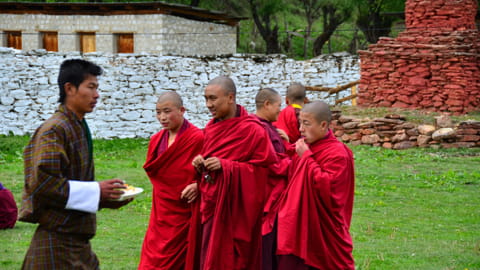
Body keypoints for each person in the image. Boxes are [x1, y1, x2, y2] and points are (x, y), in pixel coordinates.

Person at [19, 59, 132, 270]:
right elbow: (44, 184)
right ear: (69, 88)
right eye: (91, 87)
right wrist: (96, 192)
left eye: (97, 88)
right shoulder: (54, 129)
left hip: (77, 243)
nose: (97, 95)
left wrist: (105, 198)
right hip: (56, 243)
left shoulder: (76, 125)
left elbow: (71, 185)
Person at [190, 76, 277, 270]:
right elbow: (210, 169)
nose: (208, 104)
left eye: (213, 98)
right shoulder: (212, 128)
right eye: (206, 99)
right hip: (212, 206)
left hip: (238, 214)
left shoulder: (253, 130)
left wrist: (228, 167)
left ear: (230, 98)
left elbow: (263, 173)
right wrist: (200, 165)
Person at [276, 101, 355, 270]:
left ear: (323, 125)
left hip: (325, 230)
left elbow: (330, 192)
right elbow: (293, 168)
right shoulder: (307, 146)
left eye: (306, 123)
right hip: (301, 227)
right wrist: (285, 144)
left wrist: (306, 158)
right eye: (300, 123)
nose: (301, 129)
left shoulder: (337, 154)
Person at [138, 91, 204, 270]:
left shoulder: (197, 138)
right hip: (161, 211)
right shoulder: (156, 140)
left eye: (167, 111)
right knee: (151, 261)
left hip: (185, 212)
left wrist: (199, 185)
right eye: (158, 112)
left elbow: (209, 173)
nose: (162, 117)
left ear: (182, 110)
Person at [252, 88, 290, 270]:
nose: (280, 110)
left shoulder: (268, 129)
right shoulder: (259, 129)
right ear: (267, 104)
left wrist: (285, 142)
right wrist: (297, 162)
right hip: (267, 195)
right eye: (278, 106)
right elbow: (272, 163)